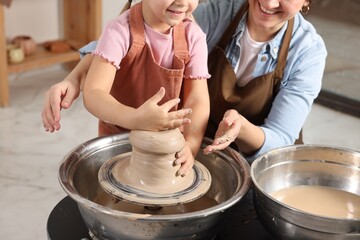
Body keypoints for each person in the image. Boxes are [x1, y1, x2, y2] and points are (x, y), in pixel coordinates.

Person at [42, 0, 327, 162]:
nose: (268, 2)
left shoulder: (308, 52)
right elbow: (124, 44)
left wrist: (240, 130)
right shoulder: (217, 12)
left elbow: (280, 136)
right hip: (193, 138)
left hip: (252, 158)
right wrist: (76, 77)